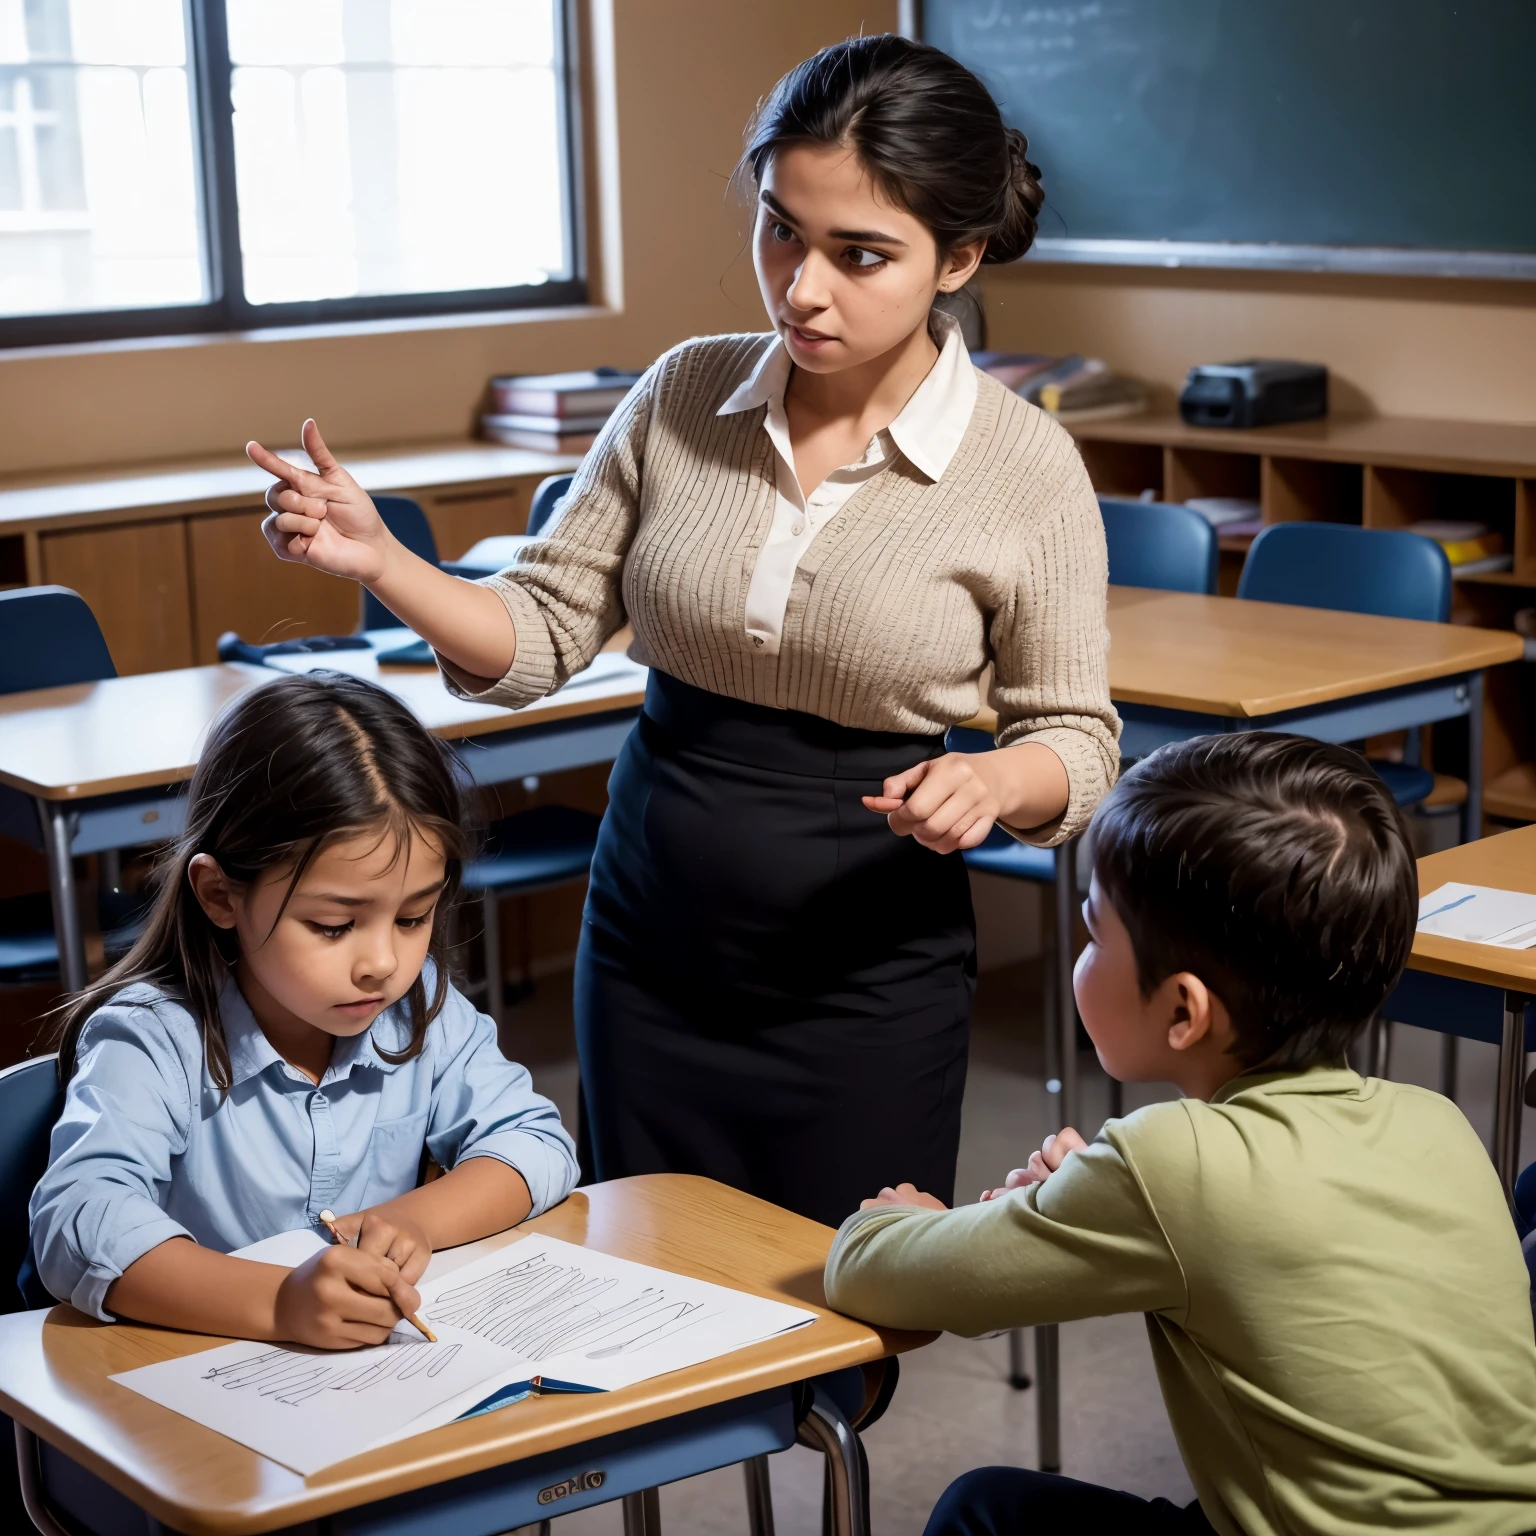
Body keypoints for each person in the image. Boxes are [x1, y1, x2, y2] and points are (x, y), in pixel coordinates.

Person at [244, 35, 1119, 1228]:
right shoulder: (680, 394)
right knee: (634, 1285)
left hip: (866, 962)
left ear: (958, 257)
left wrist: (993, 781)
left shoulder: (1027, 467)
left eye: (860, 255)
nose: (802, 287)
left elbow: (1076, 739)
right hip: (653, 933)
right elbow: (543, 632)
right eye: (781, 231)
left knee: (845, 1312)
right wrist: (383, 560)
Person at [825, 733, 1536, 1535]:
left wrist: (901, 1222)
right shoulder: (1437, 1122)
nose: (1082, 950)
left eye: (1095, 932)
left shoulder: (1170, 1163)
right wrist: (1088, 1198)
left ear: (1183, 1011)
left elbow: (875, 1276)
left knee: (983, 1512)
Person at [31, 673, 576, 1349]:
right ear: (220, 895)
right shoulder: (153, 1038)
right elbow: (78, 1221)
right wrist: (279, 1304)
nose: (381, 961)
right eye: (331, 926)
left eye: (411, 918)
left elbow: (537, 1141)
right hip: (199, 1399)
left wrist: (412, 1221)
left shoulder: (419, 1011)